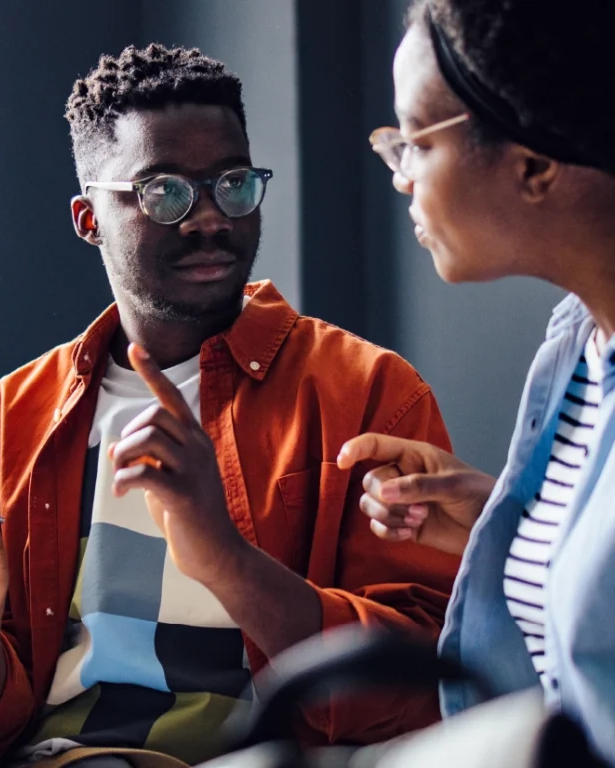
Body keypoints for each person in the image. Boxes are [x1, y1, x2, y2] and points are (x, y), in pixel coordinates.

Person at [0, 44, 461, 767]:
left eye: (232, 185)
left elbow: (417, 684)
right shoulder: (3, 425)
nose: (207, 219)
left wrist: (225, 557)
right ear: (88, 218)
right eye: (163, 191)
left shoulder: (369, 394)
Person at [335, 0, 615, 762]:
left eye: (414, 141)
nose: (400, 178)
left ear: (533, 166)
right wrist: (510, 523)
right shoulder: (577, 348)